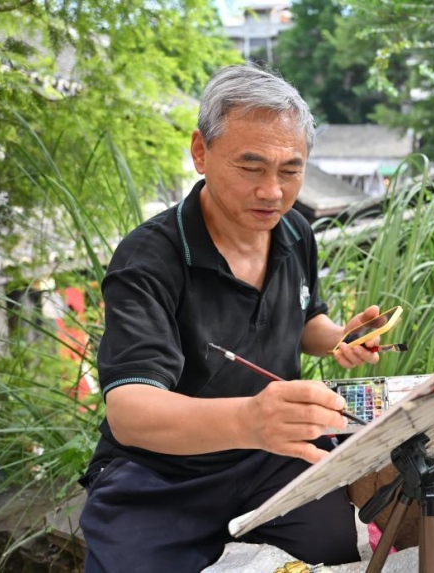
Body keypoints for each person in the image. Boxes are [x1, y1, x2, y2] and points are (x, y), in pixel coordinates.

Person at [78, 64, 382, 572]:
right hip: (163, 471)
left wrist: (338, 339)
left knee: (337, 554)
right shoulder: (149, 258)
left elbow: (306, 320)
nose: (272, 192)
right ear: (201, 151)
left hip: (272, 458)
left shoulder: (294, 232)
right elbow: (130, 413)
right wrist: (250, 419)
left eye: (290, 170)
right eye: (251, 167)